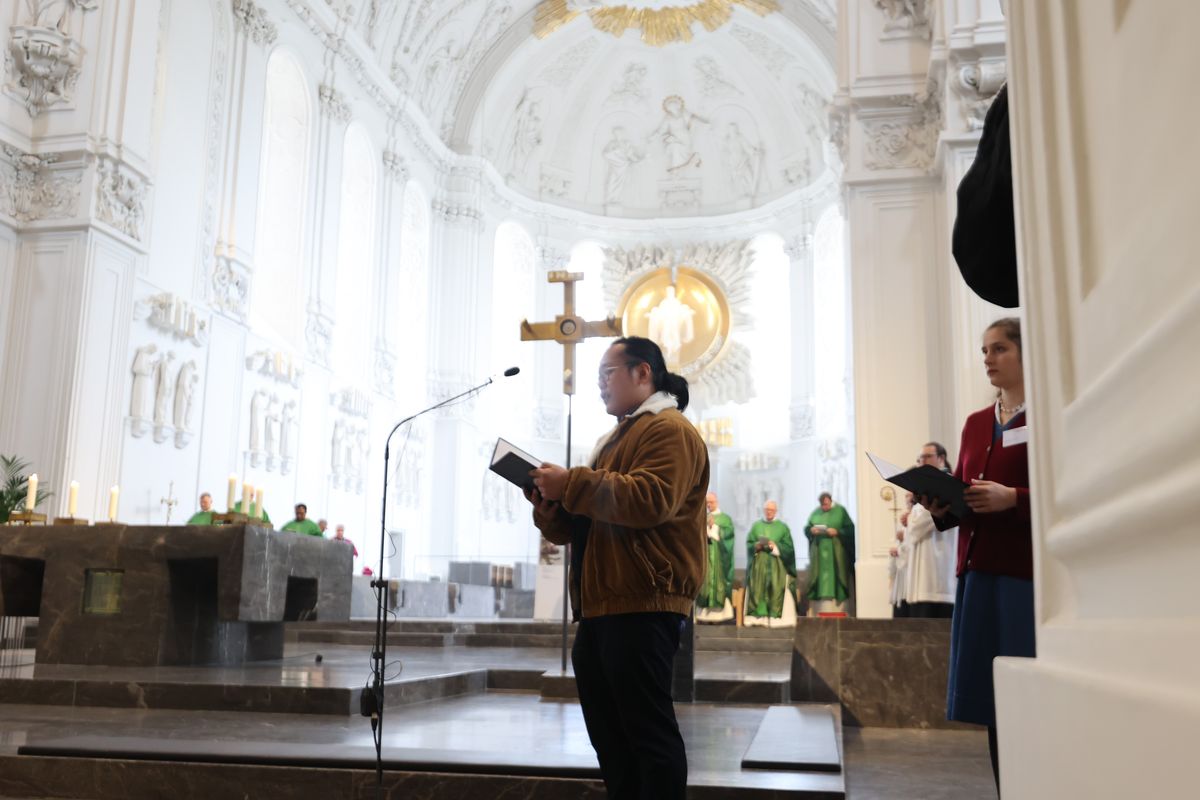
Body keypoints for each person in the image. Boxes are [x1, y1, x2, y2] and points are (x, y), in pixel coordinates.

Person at [526, 336, 708, 800]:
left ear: (642, 372)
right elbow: (592, 521)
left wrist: (573, 482)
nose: (600, 386)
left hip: (643, 601)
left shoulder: (669, 430)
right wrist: (554, 510)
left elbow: (650, 499)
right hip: (604, 605)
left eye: (607, 374)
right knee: (613, 742)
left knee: (648, 736)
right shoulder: (617, 439)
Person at [919, 317, 1032, 795]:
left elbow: (1069, 490)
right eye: (985, 350)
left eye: (999, 348)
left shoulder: (1044, 416)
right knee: (991, 703)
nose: (987, 358)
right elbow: (963, 500)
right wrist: (940, 505)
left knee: (1025, 695)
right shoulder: (974, 424)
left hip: (1023, 576)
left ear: (1027, 354)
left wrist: (1015, 498)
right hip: (977, 574)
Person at [905, 443, 958, 618]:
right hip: (921, 578)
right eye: (920, 458)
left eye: (926, 456)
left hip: (937, 575)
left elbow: (916, 526)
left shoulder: (947, 484)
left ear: (941, 459)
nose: (921, 462)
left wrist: (913, 519)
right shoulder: (924, 489)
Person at [743, 501, 797, 628]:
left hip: (776, 567)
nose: (769, 512)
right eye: (767, 509)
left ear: (776, 511)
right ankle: (758, 620)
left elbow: (789, 548)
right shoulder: (756, 526)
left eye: (771, 510)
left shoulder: (783, 527)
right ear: (764, 510)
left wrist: (775, 546)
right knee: (757, 590)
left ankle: (776, 620)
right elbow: (750, 543)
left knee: (776, 589)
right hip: (759, 566)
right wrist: (755, 546)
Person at [804, 492, 855, 615]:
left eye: (826, 504)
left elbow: (850, 529)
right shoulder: (816, 512)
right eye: (822, 505)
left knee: (837, 577)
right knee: (821, 581)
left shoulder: (841, 511)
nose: (824, 507)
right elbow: (807, 528)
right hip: (819, 555)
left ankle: (839, 610)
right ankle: (820, 610)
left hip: (836, 553)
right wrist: (811, 530)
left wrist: (837, 532)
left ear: (830, 501)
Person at [696, 491, 735, 624]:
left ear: (716, 502)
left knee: (718, 584)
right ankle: (703, 616)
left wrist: (714, 527)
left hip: (719, 558)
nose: (708, 505)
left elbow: (729, 535)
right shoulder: (703, 517)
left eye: (711, 502)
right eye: (707, 503)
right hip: (705, 557)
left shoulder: (725, 519)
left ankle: (719, 617)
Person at [888, 500, 911, 618]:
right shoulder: (903, 527)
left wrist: (902, 543)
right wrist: (897, 548)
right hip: (900, 578)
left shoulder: (915, 522)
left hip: (910, 578)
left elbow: (911, 548)